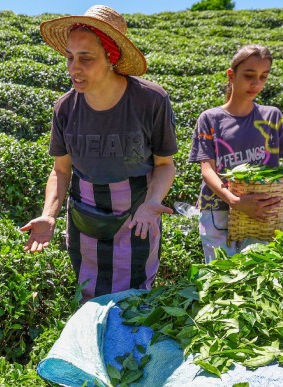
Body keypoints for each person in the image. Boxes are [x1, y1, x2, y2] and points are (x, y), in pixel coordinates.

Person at [21, 5, 178, 302]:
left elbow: (165, 164)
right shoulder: (65, 108)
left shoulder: (150, 100)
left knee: (135, 301)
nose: (73, 68)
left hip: (137, 215)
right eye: (69, 57)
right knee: (89, 298)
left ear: (111, 58)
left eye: (86, 58)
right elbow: (61, 170)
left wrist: (152, 203)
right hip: (86, 215)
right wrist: (49, 214)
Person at [188, 44, 283, 262]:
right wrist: (235, 201)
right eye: (249, 75)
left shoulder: (272, 117)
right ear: (232, 75)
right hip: (218, 210)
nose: (256, 83)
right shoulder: (210, 119)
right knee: (222, 281)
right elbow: (207, 170)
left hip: (261, 211)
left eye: (263, 77)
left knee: (255, 279)